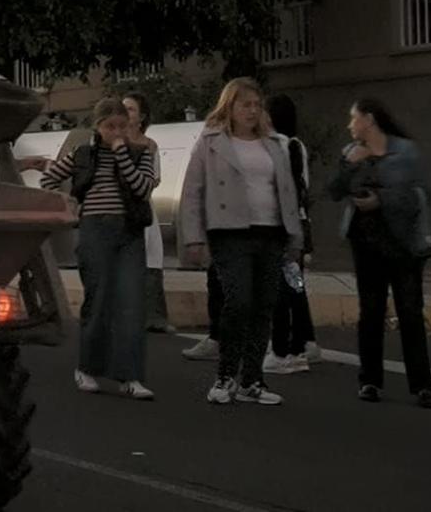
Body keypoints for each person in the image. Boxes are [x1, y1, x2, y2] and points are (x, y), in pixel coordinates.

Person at [178, 77, 303, 407]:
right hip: (229, 231)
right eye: (244, 104)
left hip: (271, 230)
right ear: (229, 107)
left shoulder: (274, 143)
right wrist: (193, 237)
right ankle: (225, 374)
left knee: (264, 305)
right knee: (239, 300)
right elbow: (193, 192)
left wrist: (295, 236)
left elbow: (288, 192)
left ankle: (252, 379)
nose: (251, 110)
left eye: (256, 104)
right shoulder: (212, 142)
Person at [38, 98, 157, 400]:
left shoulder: (141, 153)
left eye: (122, 126)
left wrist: (122, 155)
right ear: (98, 127)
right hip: (94, 229)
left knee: (130, 302)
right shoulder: (83, 155)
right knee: (99, 299)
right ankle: (88, 367)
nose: (116, 132)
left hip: (129, 230)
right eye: (110, 126)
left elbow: (142, 188)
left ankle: (130, 375)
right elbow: (49, 178)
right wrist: (67, 204)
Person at [328, 98, 431, 407]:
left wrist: (381, 200)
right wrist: (351, 166)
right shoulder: (350, 153)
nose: (350, 125)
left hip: (402, 244)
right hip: (365, 242)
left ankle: (422, 385)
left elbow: (419, 196)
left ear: (369, 120)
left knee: (410, 312)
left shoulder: (406, 152)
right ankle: (370, 380)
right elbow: (334, 191)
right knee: (371, 311)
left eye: (353, 118)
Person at [262, 94, 318, 375]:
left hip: (282, 227)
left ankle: (284, 347)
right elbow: (303, 188)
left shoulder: (275, 147)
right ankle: (303, 343)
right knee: (296, 285)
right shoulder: (297, 146)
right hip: (300, 225)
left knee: (280, 289)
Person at [119, 93, 171, 334]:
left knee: (150, 259)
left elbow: (154, 179)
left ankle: (154, 317)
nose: (125, 112)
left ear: (141, 117)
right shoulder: (111, 139)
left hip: (140, 207)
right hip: (116, 207)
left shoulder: (149, 145)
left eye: (130, 109)